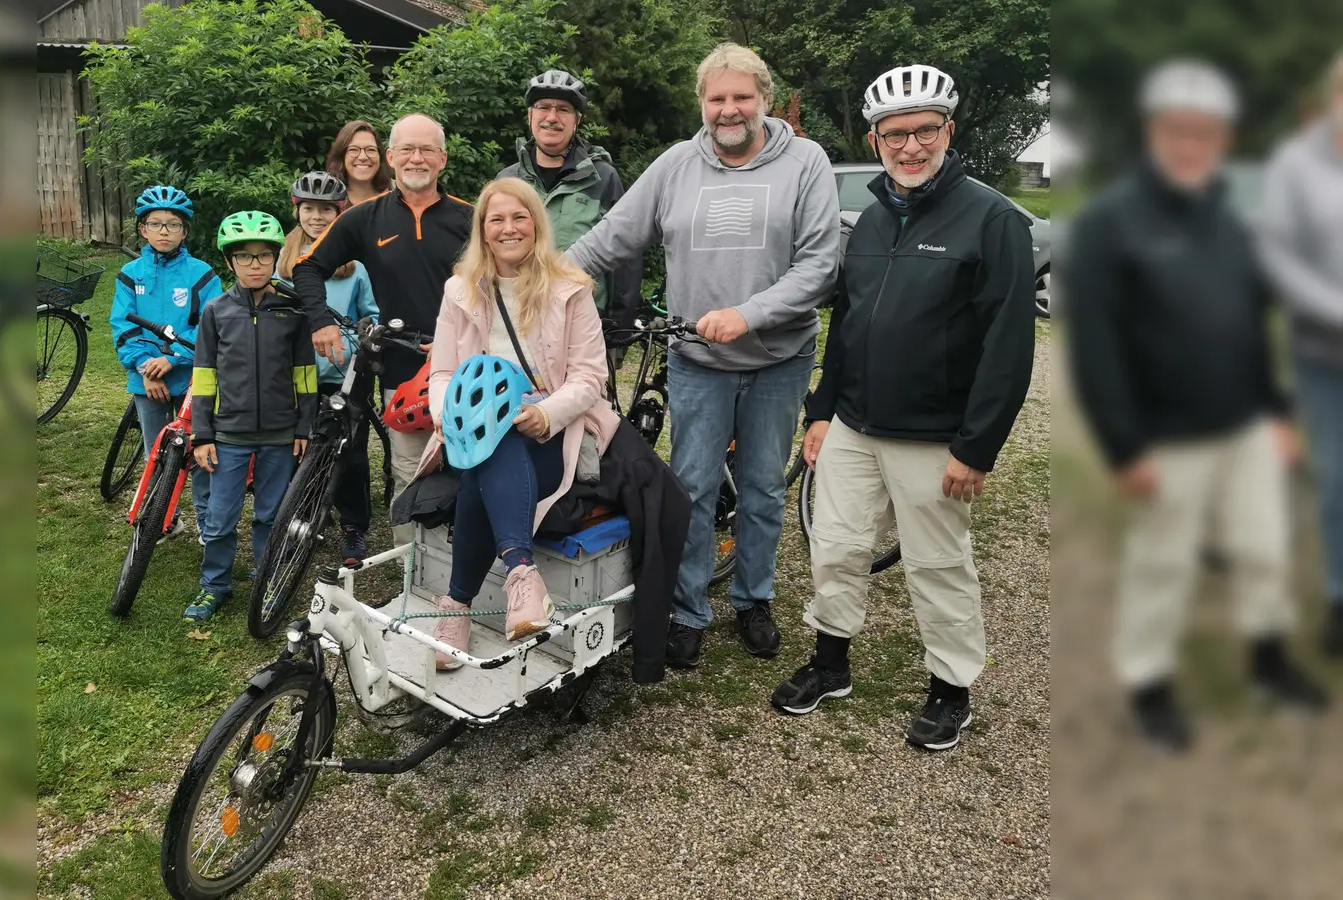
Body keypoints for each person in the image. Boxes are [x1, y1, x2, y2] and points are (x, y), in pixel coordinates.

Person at [768, 65, 1035, 753]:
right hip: (855, 424)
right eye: (895, 134)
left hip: (935, 435)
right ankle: (831, 663)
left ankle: (951, 690)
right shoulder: (873, 216)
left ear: (949, 130)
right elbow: (849, 322)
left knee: (937, 565)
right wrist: (822, 410)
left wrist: (978, 447)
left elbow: (1009, 345)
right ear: (875, 137)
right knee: (835, 547)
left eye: (924, 131)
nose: (910, 147)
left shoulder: (992, 218)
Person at [1067, 60, 1329, 752]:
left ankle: (1269, 662)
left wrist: (1275, 414)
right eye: (1179, 131)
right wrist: (1123, 448)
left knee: (1265, 550)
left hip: (1243, 426)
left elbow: (1251, 326)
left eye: (1207, 133)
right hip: (1164, 438)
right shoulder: (1108, 225)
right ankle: (1148, 685)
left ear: (1222, 138)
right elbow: (1095, 350)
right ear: (1153, 131)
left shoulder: (1230, 220)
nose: (1192, 145)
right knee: (1164, 565)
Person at [565, 43, 841, 668]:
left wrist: (749, 314)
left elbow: (821, 265)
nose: (729, 109)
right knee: (688, 488)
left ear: (765, 100)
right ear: (702, 103)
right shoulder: (675, 166)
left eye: (742, 96)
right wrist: (545, 277)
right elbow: (611, 239)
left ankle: (753, 599)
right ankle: (689, 610)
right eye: (717, 98)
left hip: (777, 359)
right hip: (697, 361)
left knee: (763, 489)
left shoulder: (806, 162)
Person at [415, 177, 620, 667]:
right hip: (476, 425)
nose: (509, 229)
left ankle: (457, 606)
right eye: (497, 219)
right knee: (491, 446)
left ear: (536, 224)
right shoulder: (460, 290)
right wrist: (451, 416)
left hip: (552, 427)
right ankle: (522, 574)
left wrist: (546, 412)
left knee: (488, 462)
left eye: (519, 217)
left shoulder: (571, 288)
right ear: (483, 231)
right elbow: (442, 372)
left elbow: (591, 375)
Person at [295, 113, 473, 546]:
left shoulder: (473, 217)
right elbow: (307, 267)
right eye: (407, 150)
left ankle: (470, 573)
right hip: (401, 369)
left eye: (427, 149)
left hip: (468, 363)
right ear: (390, 158)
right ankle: (413, 573)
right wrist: (321, 321)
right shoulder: (365, 218)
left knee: (471, 465)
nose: (417, 158)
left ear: (443, 158)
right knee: (409, 469)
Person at [185, 211, 316, 622]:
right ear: (229, 262)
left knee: (271, 515)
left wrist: (304, 424)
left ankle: (267, 576)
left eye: (263, 256)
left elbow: (305, 374)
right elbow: (204, 378)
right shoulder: (216, 311)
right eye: (244, 257)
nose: (255, 264)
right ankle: (214, 585)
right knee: (220, 518)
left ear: (277, 257)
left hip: (280, 433)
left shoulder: (293, 310)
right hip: (228, 435)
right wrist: (202, 433)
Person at [1255, 49, 1343, 657]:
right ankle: (1339, 598)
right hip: (1324, 355)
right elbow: (1279, 256)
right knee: (1336, 480)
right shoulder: (1296, 163)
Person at [278, 171, 379, 567]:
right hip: (295, 374)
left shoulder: (354, 268)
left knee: (351, 452)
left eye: (326, 210)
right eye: (309, 209)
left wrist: (365, 331)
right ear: (297, 211)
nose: (317, 217)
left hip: (344, 373)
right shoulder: (282, 263)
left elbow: (371, 313)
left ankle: (353, 525)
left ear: (339, 214)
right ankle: (299, 517)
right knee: (297, 449)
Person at [108, 185, 221, 539]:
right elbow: (122, 324)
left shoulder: (202, 274)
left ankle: (206, 520)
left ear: (185, 231)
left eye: (173, 225)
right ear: (143, 229)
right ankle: (162, 517)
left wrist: (174, 358)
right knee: (155, 452)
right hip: (148, 380)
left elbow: (211, 327)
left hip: (192, 378)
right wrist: (145, 366)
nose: (164, 232)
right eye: (156, 224)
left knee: (201, 452)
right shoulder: (130, 274)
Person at [498, 70, 641, 342]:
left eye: (563, 109)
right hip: (515, 321)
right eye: (543, 107)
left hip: (584, 322)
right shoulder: (507, 180)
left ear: (577, 121)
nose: (552, 117)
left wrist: (620, 327)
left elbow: (625, 253)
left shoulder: (604, 177)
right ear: (530, 117)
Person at [325, 120, 394, 210]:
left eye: (371, 150)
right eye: (353, 149)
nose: (363, 157)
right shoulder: (326, 197)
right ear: (341, 155)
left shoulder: (398, 193)